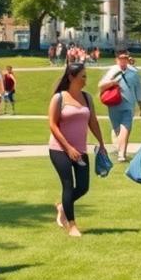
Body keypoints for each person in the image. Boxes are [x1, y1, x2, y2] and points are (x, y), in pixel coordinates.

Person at [48, 62, 107, 237]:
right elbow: (52, 124)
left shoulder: (87, 98)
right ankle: (72, 225)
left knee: (83, 187)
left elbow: (93, 121)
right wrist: (68, 147)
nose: (85, 80)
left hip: (80, 149)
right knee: (68, 184)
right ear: (71, 77)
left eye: (85, 76)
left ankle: (62, 206)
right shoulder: (59, 98)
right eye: (82, 76)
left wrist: (102, 144)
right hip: (59, 149)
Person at [98, 49, 141, 162]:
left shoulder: (134, 72)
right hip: (114, 103)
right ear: (116, 59)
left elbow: (138, 89)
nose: (123, 60)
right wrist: (112, 83)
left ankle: (121, 154)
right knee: (117, 128)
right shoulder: (112, 71)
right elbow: (101, 86)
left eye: (125, 58)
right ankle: (120, 149)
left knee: (126, 128)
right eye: (121, 58)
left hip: (128, 104)